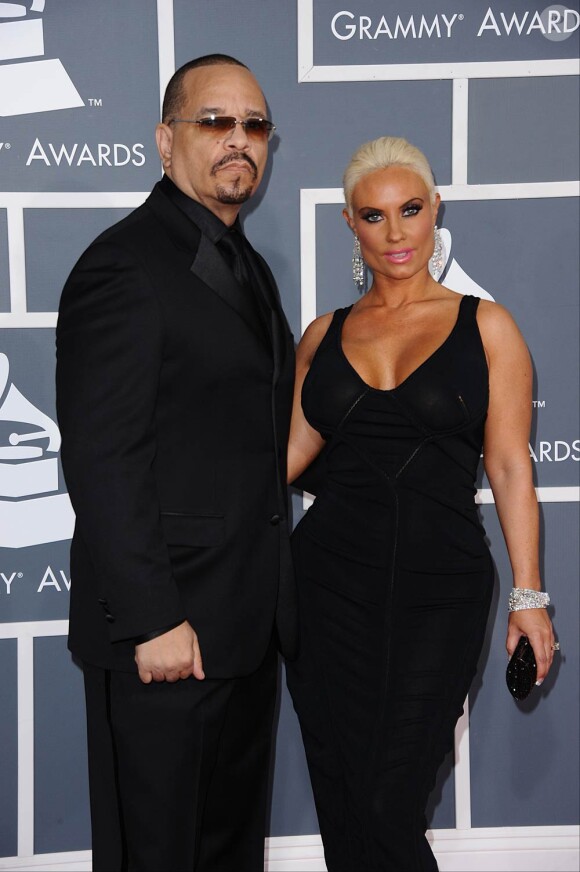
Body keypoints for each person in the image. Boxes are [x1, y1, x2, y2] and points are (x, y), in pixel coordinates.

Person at [286, 136, 557, 872]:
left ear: (436, 208)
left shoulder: (487, 325)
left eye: (411, 210)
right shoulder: (323, 336)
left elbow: (507, 464)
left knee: (389, 803)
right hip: (324, 591)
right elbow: (279, 462)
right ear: (350, 223)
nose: (396, 233)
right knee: (343, 797)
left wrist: (529, 597)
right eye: (374, 217)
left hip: (441, 590)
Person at [56, 54, 296, 872]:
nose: (239, 141)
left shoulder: (250, 266)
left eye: (254, 126)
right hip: (166, 639)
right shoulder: (123, 266)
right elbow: (102, 457)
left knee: (227, 854)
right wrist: (154, 617)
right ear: (166, 142)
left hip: (242, 633)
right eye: (215, 122)